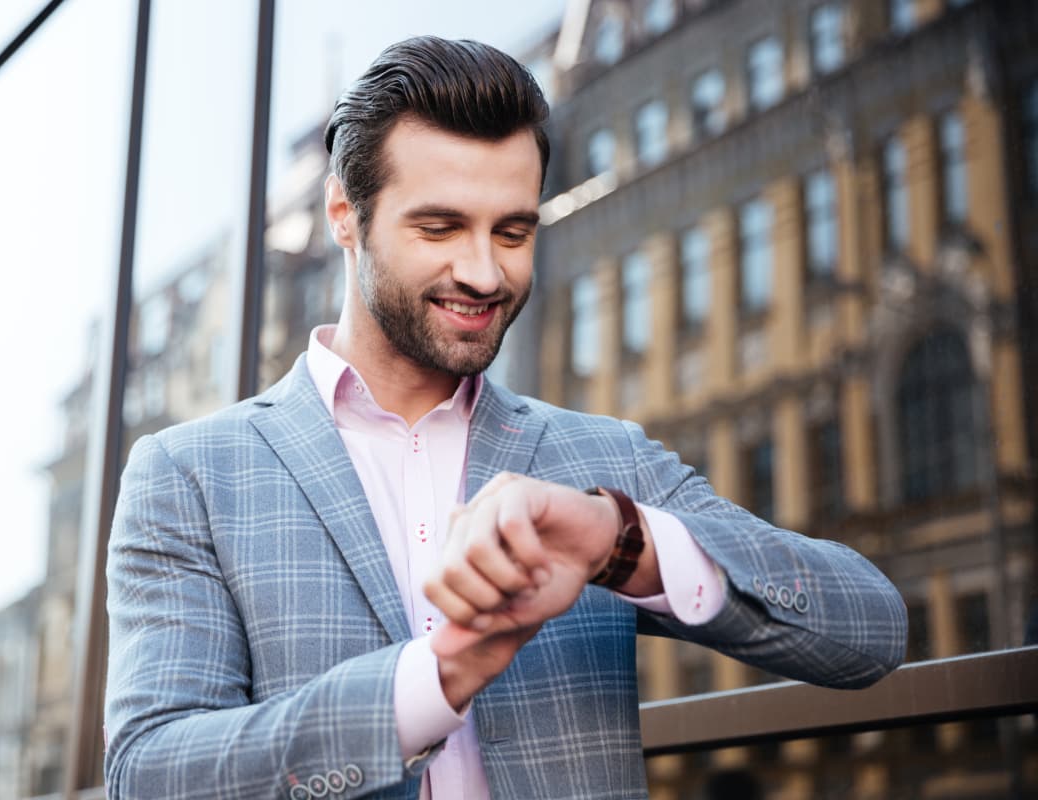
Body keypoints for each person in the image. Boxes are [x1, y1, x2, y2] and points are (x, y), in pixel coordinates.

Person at [103, 36, 907, 800]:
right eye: (441, 226)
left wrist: (617, 543)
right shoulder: (191, 475)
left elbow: (869, 629)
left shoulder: (599, 461)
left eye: (513, 232)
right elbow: (151, 773)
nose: (485, 273)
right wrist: (434, 679)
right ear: (345, 213)